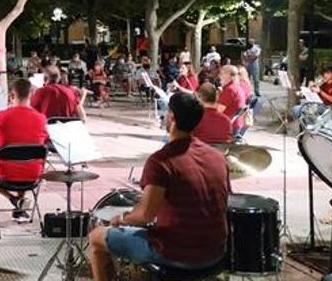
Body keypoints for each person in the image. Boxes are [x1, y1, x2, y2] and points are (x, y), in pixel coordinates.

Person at [87, 93, 229, 281]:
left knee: (96, 237)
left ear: (171, 117)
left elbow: (145, 215)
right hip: (216, 251)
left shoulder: (161, 161)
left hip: (176, 253)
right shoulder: (217, 157)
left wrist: (122, 218)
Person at [0, 78, 48, 223]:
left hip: (5, 176)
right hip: (33, 177)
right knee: (23, 161)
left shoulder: (1, 116)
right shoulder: (41, 119)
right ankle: (19, 206)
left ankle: (13, 199)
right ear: (31, 95)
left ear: (11, 96)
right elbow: (42, 143)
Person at [217, 65, 247, 138]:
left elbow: (218, 111)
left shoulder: (230, 90)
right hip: (237, 124)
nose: (219, 75)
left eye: (222, 73)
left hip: (228, 125)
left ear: (229, 76)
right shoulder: (237, 87)